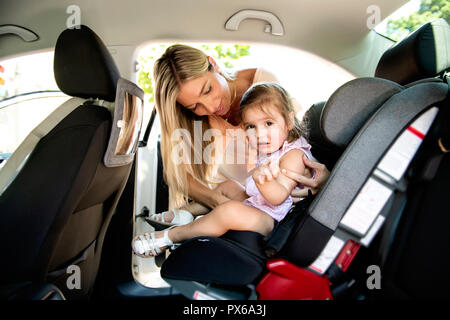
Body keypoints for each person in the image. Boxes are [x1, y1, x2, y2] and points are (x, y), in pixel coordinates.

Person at [147, 44, 330, 227]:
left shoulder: (264, 83)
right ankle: (185, 216)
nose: (210, 108)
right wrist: (218, 202)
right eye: (194, 106)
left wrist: (326, 181)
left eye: (208, 90)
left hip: (268, 204)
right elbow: (176, 174)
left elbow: (293, 139)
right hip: (228, 203)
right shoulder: (191, 118)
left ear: (213, 64)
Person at [132, 83, 316, 257]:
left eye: (268, 123)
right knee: (228, 186)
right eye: (251, 126)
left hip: (276, 221)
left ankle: (171, 236)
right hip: (264, 206)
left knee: (227, 212)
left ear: (289, 121)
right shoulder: (271, 149)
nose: (259, 134)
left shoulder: (293, 156)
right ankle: (187, 213)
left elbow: (278, 197)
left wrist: (264, 182)